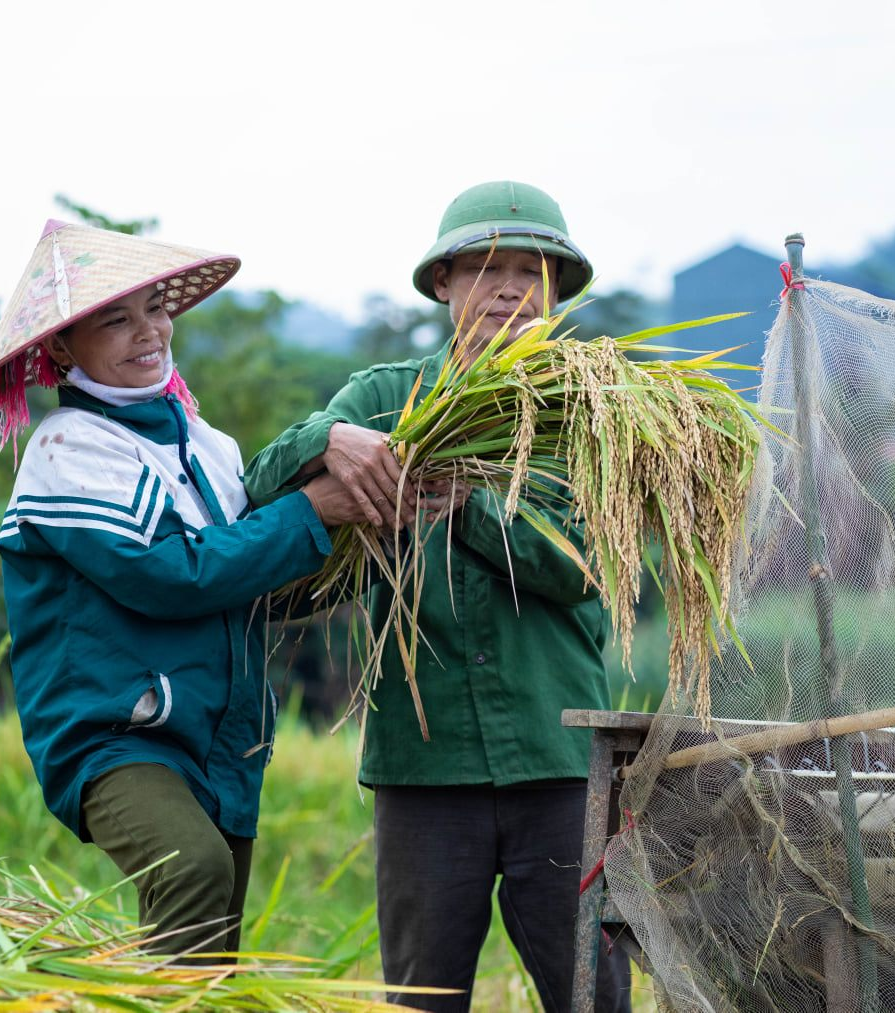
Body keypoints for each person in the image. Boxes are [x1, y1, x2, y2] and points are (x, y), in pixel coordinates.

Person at [244, 182, 632, 1011]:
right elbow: (258, 493)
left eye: (533, 272)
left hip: (556, 756)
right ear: (443, 284)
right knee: (421, 997)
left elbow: (578, 567)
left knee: (592, 991)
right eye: (487, 267)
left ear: (555, 295)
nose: (510, 288)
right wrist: (327, 439)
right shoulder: (384, 401)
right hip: (424, 765)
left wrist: (469, 503)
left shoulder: (586, 413)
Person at [0, 220, 372, 958]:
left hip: (224, 737)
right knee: (192, 869)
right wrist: (309, 511)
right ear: (61, 349)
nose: (146, 331)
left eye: (154, 308)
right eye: (114, 320)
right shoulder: (67, 452)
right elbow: (168, 576)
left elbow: (256, 586)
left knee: (211, 947)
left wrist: (371, 532)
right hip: (119, 735)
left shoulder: (209, 447)